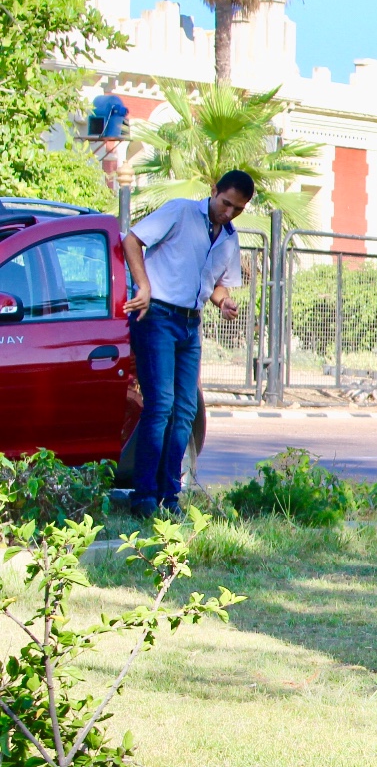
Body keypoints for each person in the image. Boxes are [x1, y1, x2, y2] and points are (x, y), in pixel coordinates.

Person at [121, 170, 253, 518]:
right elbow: (132, 240)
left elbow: (217, 285)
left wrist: (223, 302)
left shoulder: (228, 237)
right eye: (226, 203)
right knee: (160, 405)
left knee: (185, 412)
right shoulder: (180, 211)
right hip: (158, 317)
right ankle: (144, 497)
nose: (228, 213)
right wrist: (143, 286)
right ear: (214, 191)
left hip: (190, 325)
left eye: (237, 209)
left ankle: (170, 496)